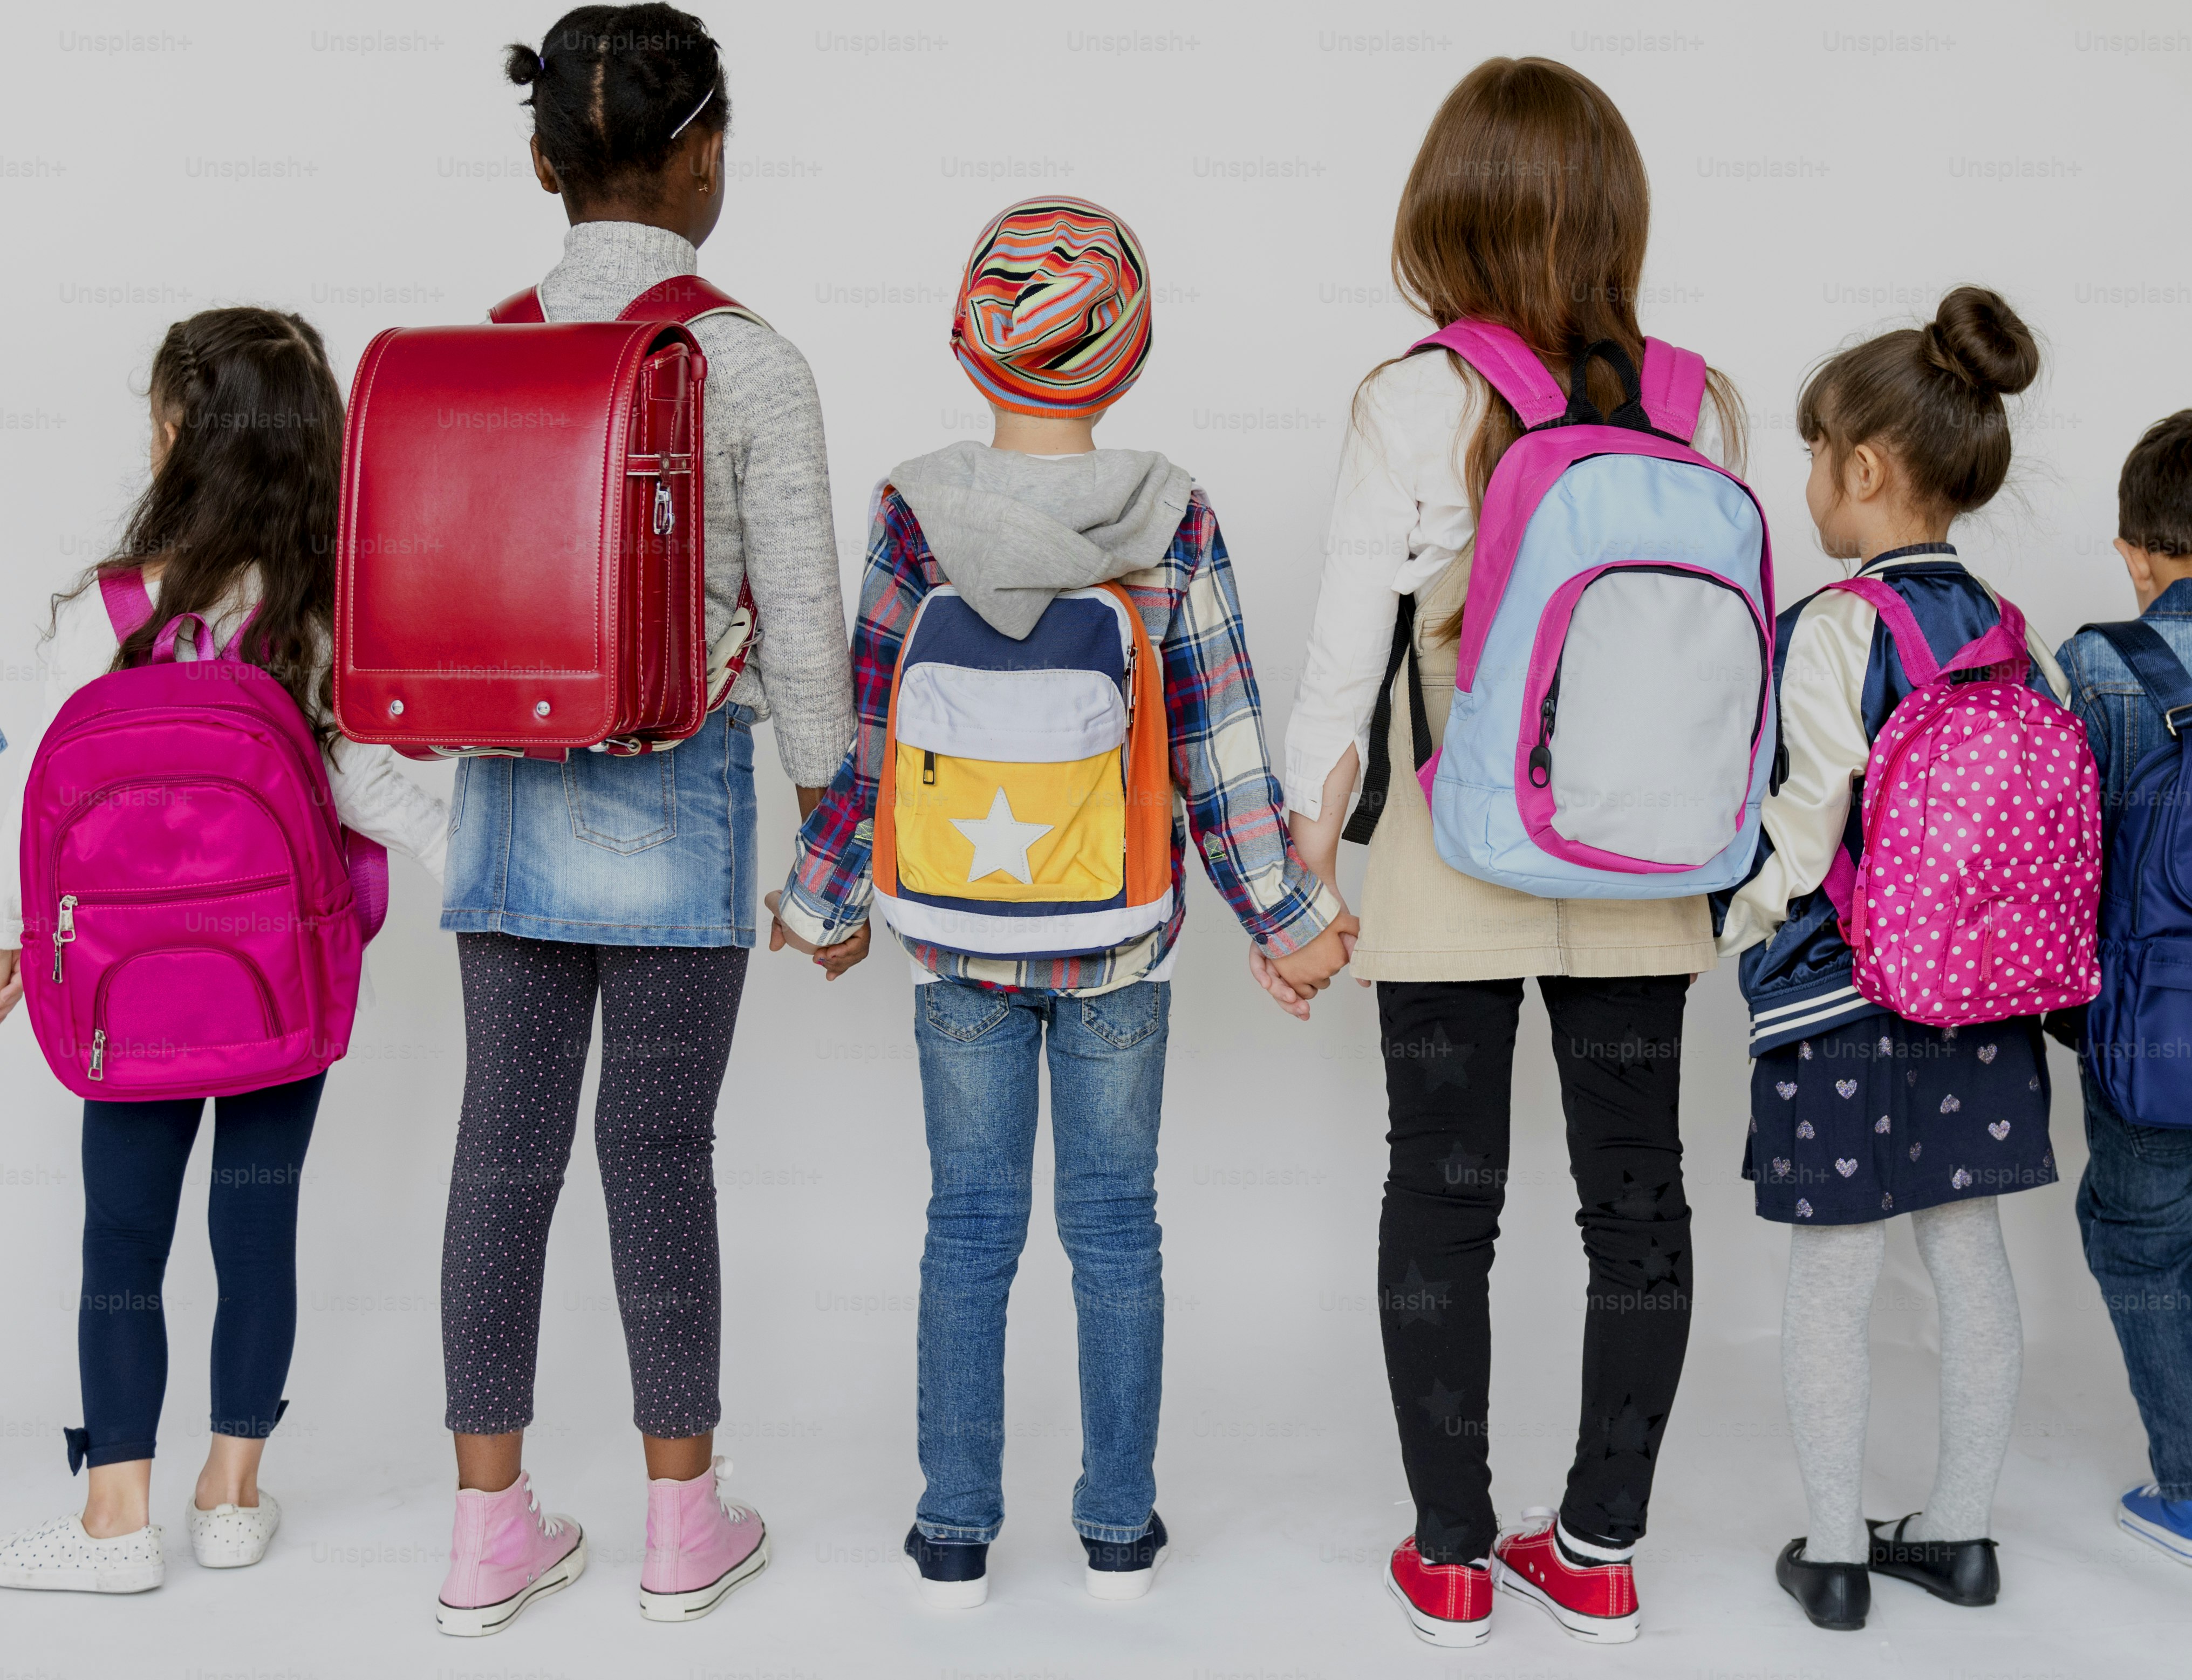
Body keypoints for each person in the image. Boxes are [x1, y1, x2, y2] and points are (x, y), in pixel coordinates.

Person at [770, 194, 1353, 1609]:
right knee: (1116, 1227)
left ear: (972, 354)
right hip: (1119, 940)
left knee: (967, 1226)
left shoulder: (915, 510)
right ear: (1131, 359)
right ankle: (1118, 1531)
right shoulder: (1172, 510)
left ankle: (957, 1531)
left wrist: (823, 905)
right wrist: (1293, 920)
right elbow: (1218, 751)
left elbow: (865, 730)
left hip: (959, 938)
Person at [1265, 58, 1744, 1648]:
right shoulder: (1698, 399)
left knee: (1445, 1199)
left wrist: (1301, 884)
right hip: (1647, 861)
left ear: (1445, 208)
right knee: (1640, 1203)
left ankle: (1455, 1555)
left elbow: (1344, 667)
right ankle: (1600, 1550)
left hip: (1453, 856)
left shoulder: (1412, 397)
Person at [430, 5, 855, 1635]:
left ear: (545, 161)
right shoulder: (747, 358)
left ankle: (488, 1536)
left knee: (501, 1157)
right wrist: (832, 860)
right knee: (660, 1153)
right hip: (679, 797)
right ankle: (687, 1522)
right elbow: (803, 634)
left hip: (502, 792)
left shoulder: (487, 349)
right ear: (707, 152)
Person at [0, 308, 448, 1594]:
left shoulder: (102, 613)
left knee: (120, 1241)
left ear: (181, 436)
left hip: (117, 996)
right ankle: (234, 1493)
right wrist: (487, 870)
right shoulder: (320, 615)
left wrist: (21, 944)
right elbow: (378, 798)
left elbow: (39, 802)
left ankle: (115, 1522)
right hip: (279, 983)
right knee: (259, 1228)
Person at [1719, 286, 2068, 1630]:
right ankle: (1963, 1537)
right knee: (1967, 1253)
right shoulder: (2011, 633)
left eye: (1813, 452)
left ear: (1861, 468)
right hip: (1984, 1003)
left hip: (1840, 1004)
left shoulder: (1833, 626)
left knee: (1835, 1273)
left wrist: (1722, 920)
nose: (1806, 477)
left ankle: (1835, 1555)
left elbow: (1803, 833)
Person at [2053, 409, 2192, 1566]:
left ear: (2136, 548)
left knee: (2145, 1243)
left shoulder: (2102, 665)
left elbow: (2060, 862)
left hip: (2152, 1035)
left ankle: (2191, 1491)